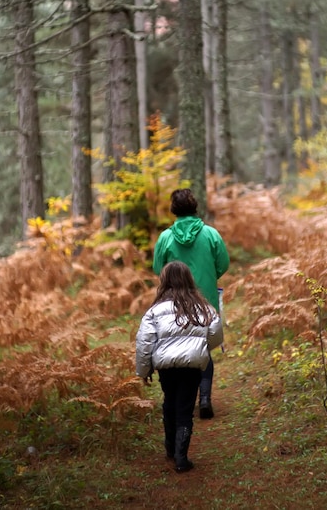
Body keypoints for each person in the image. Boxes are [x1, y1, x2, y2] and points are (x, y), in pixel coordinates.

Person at [135, 261, 223, 473]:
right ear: (188, 280)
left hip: (166, 368)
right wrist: (201, 348)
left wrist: (144, 371)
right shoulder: (202, 307)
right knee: (184, 407)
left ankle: (169, 447)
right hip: (192, 367)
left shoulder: (154, 311)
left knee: (170, 402)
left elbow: (144, 342)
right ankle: (181, 457)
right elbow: (216, 333)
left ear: (164, 281)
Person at [153, 188, 230, 419]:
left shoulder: (165, 237)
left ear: (173, 209)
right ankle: (204, 398)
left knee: (175, 346)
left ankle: (177, 398)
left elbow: (159, 269)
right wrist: (208, 275)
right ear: (195, 207)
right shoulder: (211, 234)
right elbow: (223, 263)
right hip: (204, 299)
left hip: (172, 302)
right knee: (202, 347)